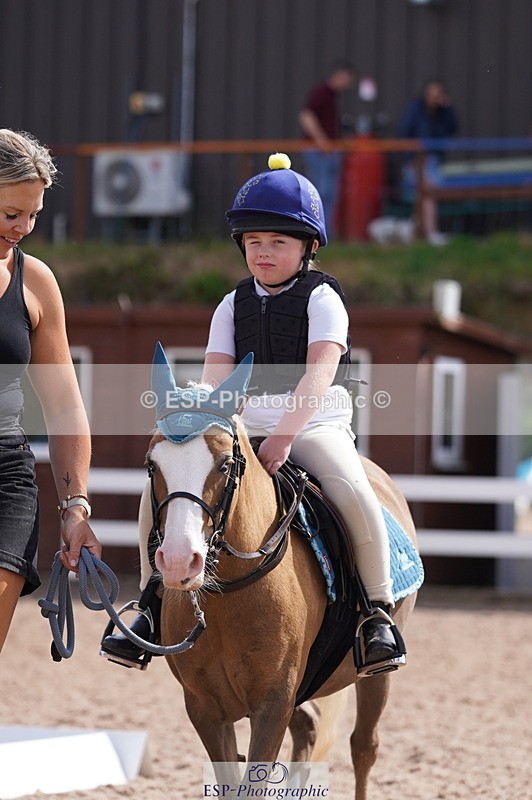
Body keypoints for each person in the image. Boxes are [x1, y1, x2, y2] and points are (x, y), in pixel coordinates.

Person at [102, 153, 404, 675]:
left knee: (355, 493)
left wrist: (284, 439)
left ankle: (376, 614)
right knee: (165, 489)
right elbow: (217, 380)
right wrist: (207, 426)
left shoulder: (324, 298)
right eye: (254, 243)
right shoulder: (230, 304)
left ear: (308, 246)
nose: (263, 254)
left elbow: (318, 375)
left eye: (278, 243)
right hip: (241, 423)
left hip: (313, 423)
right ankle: (151, 603)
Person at [0, 128, 102, 654]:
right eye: (10, 213)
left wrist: (75, 507)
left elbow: (64, 406)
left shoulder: (35, 282)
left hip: (5, 476)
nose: (22, 228)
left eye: (32, 215)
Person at [299, 61, 356, 237]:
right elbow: (306, 115)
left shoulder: (333, 97)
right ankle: (315, 232)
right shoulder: (322, 92)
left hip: (331, 151)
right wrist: (322, 141)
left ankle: (325, 233)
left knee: (330, 193)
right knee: (320, 192)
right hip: (320, 152)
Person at [399, 78, 458, 245]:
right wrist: (409, 159)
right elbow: (405, 133)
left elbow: (453, 127)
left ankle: (421, 230)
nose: (434, 98)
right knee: (427, 191)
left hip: (433, 160)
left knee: (427, 193)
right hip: (415, 160)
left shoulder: (443, 113)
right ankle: (430, 232)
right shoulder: (415, 109)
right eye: (431, 94)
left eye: (437, 94)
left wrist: (448, 107)